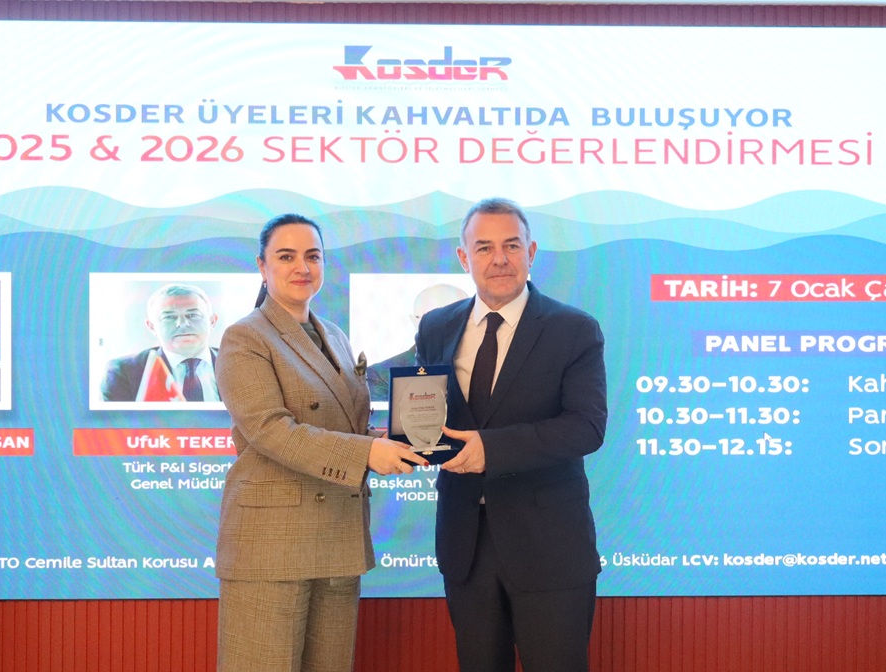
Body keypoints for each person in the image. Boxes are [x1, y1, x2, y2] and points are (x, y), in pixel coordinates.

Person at [215, 213, 429, 671]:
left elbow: (345, 425)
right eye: (286, 256)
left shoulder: (333, 335)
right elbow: (271, 430)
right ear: (262, 266)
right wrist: (367, 452)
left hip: (338, 533)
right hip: (272, 545)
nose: (302, 267)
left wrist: (400, 440)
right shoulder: (244, 337)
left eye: (312, 256)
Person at [415, 198, 608, 672]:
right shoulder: (436, 326)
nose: (499, 259)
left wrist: (491, 449)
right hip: (465, 545)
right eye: (484, 247)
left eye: (511, 246)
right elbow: (427, 413)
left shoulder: (574, 329)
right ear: (464, 258)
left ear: (531, 252)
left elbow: (586, 427)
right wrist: (405, 436)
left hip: (549, 547)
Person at [101, 283, 220, 402]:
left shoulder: (231, 363)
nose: (182, 323)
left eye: (193, 315)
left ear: (212, 321)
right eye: (169, 317)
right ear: (151, 327)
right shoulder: (124, 371)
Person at [366, 282, 469, 401]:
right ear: (414, 321)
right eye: (434, 319)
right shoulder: (380, 375)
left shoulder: (484, 365)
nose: (446, 328)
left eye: (459, 319)